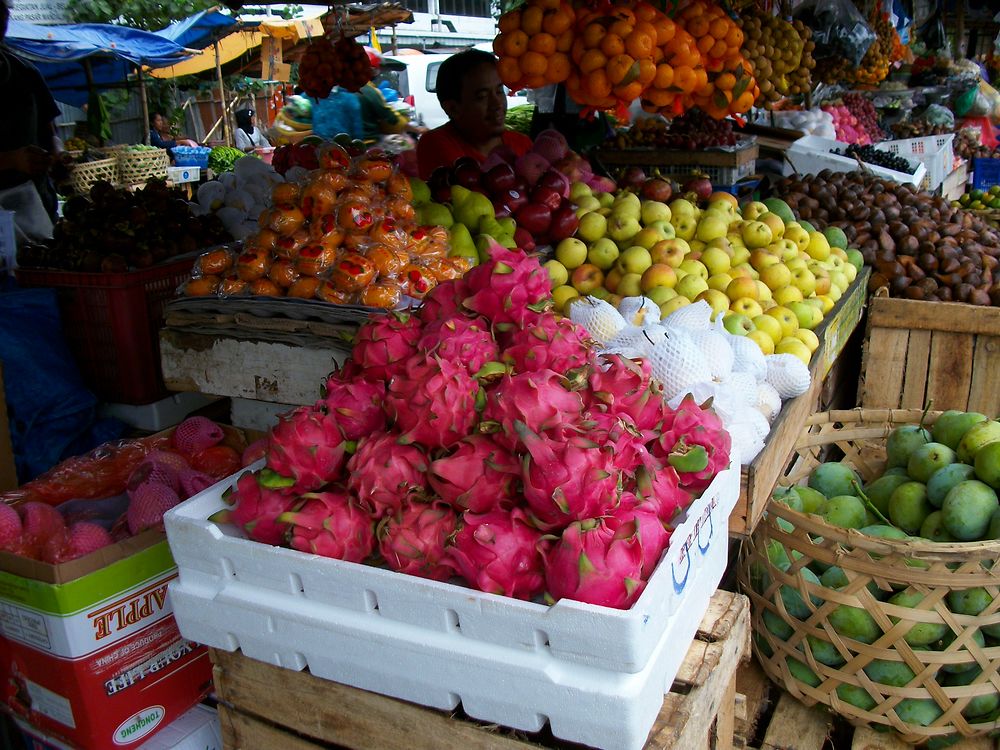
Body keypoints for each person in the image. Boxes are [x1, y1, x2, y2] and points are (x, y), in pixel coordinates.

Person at [416, 49, 532, 179]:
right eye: (482, 96)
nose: (497, 104)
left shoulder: (523, 144)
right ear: (453, 108)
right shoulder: (436, 144)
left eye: (499, 91)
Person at [0, 0, 59, 238]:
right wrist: (10, 159)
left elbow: (51, 133)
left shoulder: (24, 72)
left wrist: (57, 155)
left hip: (36, 209)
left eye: (3, 12)